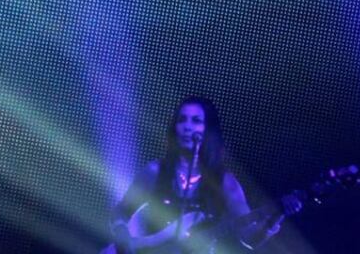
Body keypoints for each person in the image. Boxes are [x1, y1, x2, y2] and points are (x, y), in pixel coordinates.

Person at [108, 97, 298, 254]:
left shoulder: (226, 183)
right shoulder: (155, 171)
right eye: (182, 120)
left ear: (208, 131)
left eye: (196, 121)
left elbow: (248, 239)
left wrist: (273, 219)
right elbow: (121, 212)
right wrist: (124, 238)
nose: (187, 127)